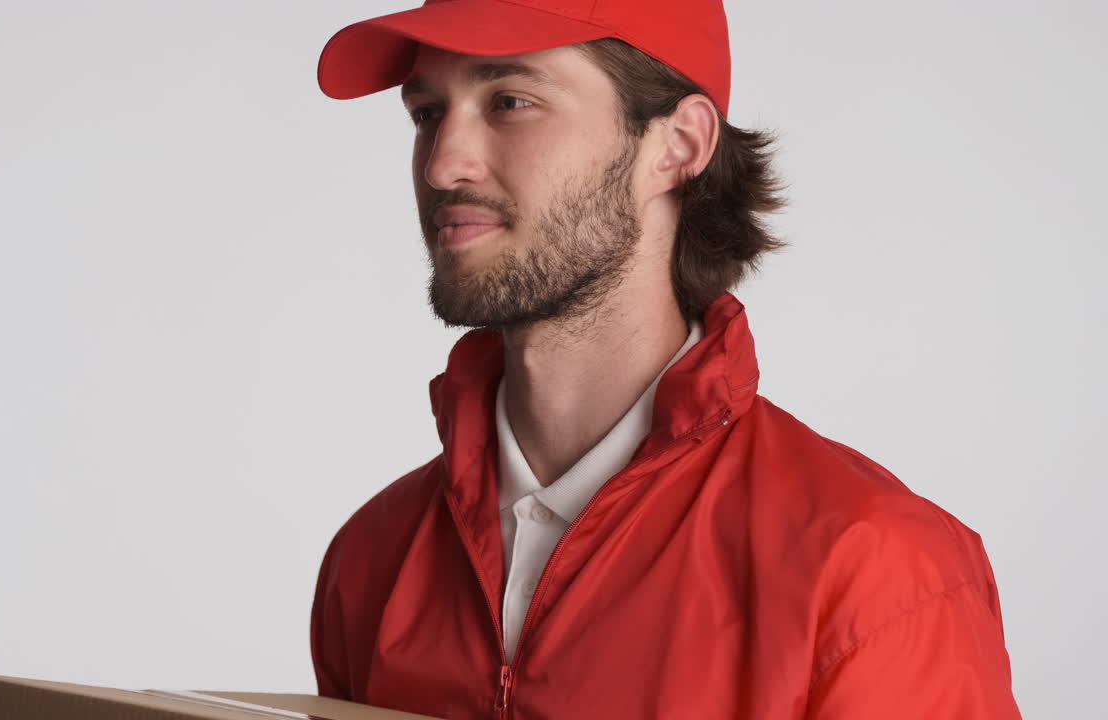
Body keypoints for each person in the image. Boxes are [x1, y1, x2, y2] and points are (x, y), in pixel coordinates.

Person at [308, 1, 1022, 718]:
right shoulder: (372, 558)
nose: (441, 165)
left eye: (510, 102)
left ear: (677, 145)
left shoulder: (872, 571)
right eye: (427, 113)